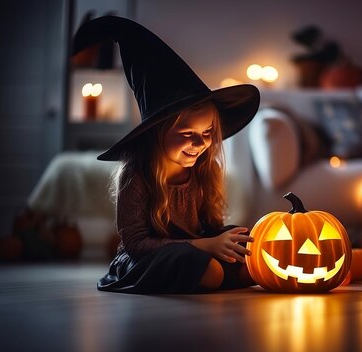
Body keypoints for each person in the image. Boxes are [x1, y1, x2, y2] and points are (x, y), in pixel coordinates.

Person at [71, 16, 260, 294]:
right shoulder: (136, 175)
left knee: (246, 243)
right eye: (187, 133)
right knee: (197, 263)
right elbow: (137, 245)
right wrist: (204, 247)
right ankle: (209, 275)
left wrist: (221, 240)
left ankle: (216, 273)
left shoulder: (204, 170)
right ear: (156, 133)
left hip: (196, 248)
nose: (199, 143)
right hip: (147, 258)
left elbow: (210, 227)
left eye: (207, 132)